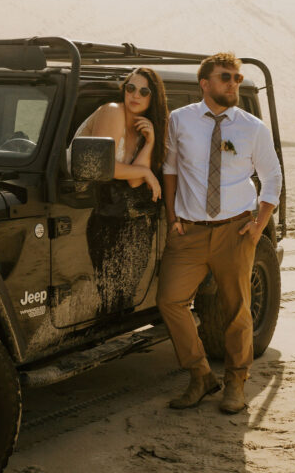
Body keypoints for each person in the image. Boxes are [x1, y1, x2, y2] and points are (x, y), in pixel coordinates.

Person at [157, 52, 282, 414]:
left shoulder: (252, 127)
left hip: (235, 230)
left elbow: (272, 177)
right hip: (190, 231)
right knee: (170, 300)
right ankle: (200, 375)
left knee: (236, 310)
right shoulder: (179, 121)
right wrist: (172, 216)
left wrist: (258, 225)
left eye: (237, 78)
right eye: (225, 77)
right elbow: (170, 169)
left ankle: (236, 383)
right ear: (205, 84)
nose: (233, 83)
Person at [74, 68, 167, 315]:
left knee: (120, 296)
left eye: (143, 91)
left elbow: (135, 182)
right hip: (87, 203)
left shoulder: (140, 127)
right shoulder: (112, 111)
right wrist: (146, 174)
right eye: (130, 88)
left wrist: (150, 143)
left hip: (116, 211)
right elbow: (103, 167)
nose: (135, 95)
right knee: (111, 295)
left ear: (152, 98)